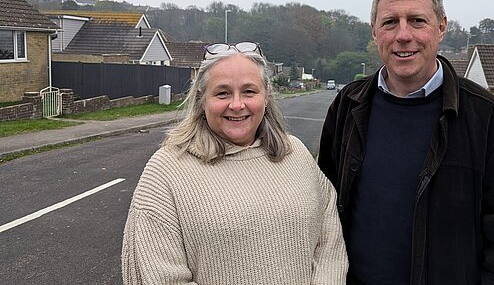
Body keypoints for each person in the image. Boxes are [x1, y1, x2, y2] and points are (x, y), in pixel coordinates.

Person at [318, 0, 494, 284]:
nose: (403, 35)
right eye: (390, 22)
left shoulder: (491, 122)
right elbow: (324, 211)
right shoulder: (347, 107)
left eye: (417, 21)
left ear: (441, 27)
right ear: (374, 31)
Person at [122, 41, 348, 284]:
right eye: (222, 93)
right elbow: (158, 277)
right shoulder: (167, 170)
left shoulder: (296, 154)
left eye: (249, 91)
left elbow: (330, 240)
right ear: (201, 99)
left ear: (266, 97)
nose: (237, 104)